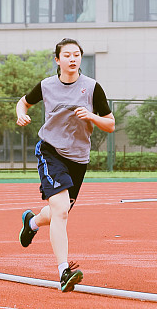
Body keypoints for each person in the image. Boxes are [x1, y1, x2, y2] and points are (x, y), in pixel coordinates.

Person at [15, 38, 115, 291]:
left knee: (60, 212)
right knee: (60, 211)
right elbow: (23, 101)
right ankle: (63, 272)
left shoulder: (92, 88)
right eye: (67, 55)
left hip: (78, 158)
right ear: (57, 60)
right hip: (51, 151)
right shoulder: (47, 85)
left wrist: (91, 115)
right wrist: (21, 114)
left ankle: (32, 223)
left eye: (77, 55)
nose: (73, 59)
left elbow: (110, 124)